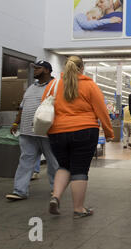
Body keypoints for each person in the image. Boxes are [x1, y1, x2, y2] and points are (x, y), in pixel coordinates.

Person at [44, 56, 113, 218]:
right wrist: (109, 132)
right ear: (82, 68)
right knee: (79, 170)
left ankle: (56, 197)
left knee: (63, 166)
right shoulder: (89, 85)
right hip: (85, 131)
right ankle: (78, 208)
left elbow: (44, 107)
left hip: (57, 132)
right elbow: (101, 110)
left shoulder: (53, 85)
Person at [6, 60, 59, 201]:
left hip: (48, 132)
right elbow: (22, 108)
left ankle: (56, 190)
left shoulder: (57, 86)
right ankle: (19, 190)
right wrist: (16, 122)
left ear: (47, 70)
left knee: (53, 162)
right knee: (25, 161)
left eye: (38, 68)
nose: (35, 70)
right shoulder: (31, 87)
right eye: (34, 68)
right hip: (27, 132)